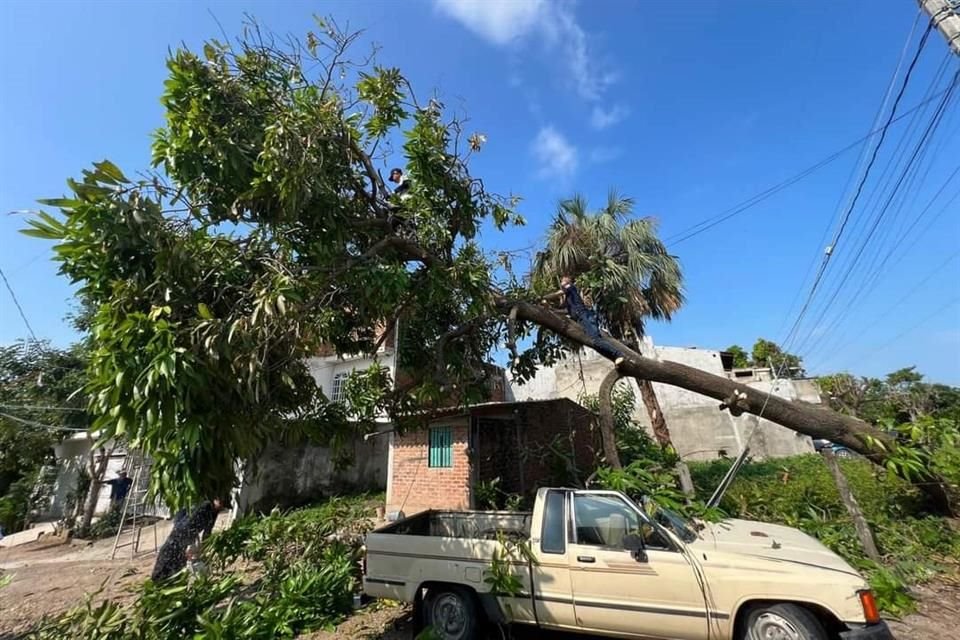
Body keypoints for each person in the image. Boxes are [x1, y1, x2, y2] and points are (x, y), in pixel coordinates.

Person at [543, 275, 625, 364]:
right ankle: (616, 357)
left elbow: (558, 293)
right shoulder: (569, 300)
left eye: (563, 280)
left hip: (585, 316)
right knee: (595, 343)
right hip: (581, 320)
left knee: (597, 340)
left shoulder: (571, 288)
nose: (561, 282)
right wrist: (550, 309)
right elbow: (565, 311)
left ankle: (619, 354)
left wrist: (544, 297)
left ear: (567, 282)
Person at [151, 498, 224, 582]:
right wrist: (188, 537)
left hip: (187, 536)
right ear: (215, 500)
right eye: (221, 504)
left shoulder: (214, 512)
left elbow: (207, 532)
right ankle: (158, 577)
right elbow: (182, 516)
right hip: (181, 533)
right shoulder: (203, 505)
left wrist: (205, 548)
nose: (221, 507)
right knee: (170, 553)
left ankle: (170, 578)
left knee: (179, 558)